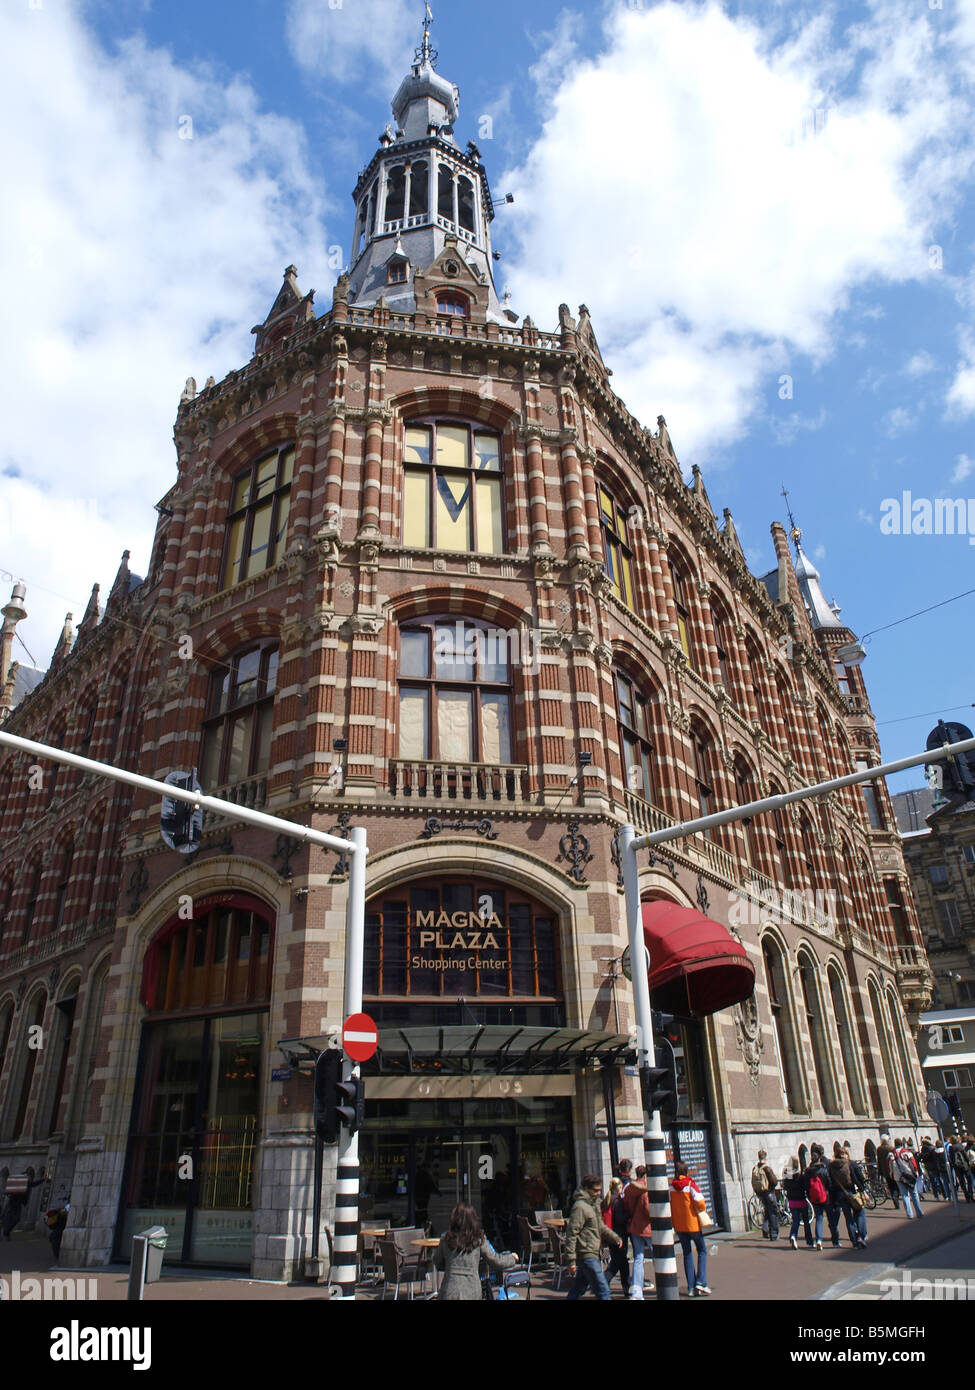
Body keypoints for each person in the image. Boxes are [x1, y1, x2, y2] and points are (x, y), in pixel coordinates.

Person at [433, 1201, 516, 1301]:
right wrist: (512, 1258)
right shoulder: (478, 1239)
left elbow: (437, 1262)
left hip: (450, 1289)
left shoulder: (446, 1238)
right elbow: (494, 1260)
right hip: (472, 1290)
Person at [564, 1174, 622, 1301]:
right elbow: (571, 1233)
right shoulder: (580, 1207)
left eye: (600, 1190)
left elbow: (600, 1226)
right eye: (595, 1190)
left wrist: (615, 1238)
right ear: (586, 1189)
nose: (598, 1193)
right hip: (587, 1253)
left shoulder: (593, 1205)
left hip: (592, 1251)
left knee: (578, 1288)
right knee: (603, 1290)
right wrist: (571, 1260)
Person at [670, 1161, 711, 1296]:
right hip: (692, 1223)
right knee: (702, 1251)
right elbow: (700, 1202)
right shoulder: (689, 1184)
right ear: (685, 1171)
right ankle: (701, 1282)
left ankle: (691, 1288)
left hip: (680, 1226)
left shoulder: (672, 1187)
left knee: (687, 1253)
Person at [623, 1164, 655, 1299]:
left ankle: (637, 1291)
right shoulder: (646, 1188)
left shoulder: (630, 1188)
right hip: (647, 1227)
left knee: (638, 1257)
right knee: (658, 1255)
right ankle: (664, 1282)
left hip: (635, 1227)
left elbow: (627, 1205)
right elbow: (648, 1209)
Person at [829, 1141, 867, 1248]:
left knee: (848, 1218)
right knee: (860, 1213)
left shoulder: (831, 1166)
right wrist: (863, 1189)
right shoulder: (851, 1164)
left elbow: (830, 1181)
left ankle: (854, 1242)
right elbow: (860, 1178)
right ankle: (861, 1236)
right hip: (852, 1192)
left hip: (839, 1194)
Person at [601, 1177, 630, 1296]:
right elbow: (619, 1219)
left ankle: (627, 1287)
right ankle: (603, 1282)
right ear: (619, 1187)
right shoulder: (617, 1201)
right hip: (619, 1236)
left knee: (623, 1262)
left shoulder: (606, 1200)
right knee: (617, 1263)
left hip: (610, 1236)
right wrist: (628, 1214)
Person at [0, 1170, 46, 1241]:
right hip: (14, 1203)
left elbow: (33, 1184)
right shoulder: (22, 1183)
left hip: (15, 1203)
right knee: (12, 1219)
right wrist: (43, 1180)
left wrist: (42, 1180)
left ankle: (6, 1233)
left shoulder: (23, 1183)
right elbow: (33, 1184)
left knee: (12, 1219)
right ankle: (5, 1233)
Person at [888, 1138, 923, 1219]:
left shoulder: (891, 1154)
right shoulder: (907, 1152)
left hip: (898, 1177)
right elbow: (913, 1164)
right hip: (909, 1175)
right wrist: (915, 1173)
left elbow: (890, 1166)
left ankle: (909, 1214)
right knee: (914, 1194)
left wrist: (892, 1175)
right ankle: (919, 1212)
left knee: (904, 1195)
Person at [805, 1144, 831, 1250]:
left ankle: (819, 1239)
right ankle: (835, 1239)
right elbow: (829, 1182)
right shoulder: (823, 1169)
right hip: (825, 1196)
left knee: (819, 1218)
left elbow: (806, 1184)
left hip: (814, 1197)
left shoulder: (808, 1171)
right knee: (831, 1217)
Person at [784, 1156, 813, 1249]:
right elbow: (805, 1187)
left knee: (795, 1220)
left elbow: (785, 1187)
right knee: (806, 1221)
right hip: (801, 1200)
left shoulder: (787, 1176)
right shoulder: (800, 1175)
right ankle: (810, 1241)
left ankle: (793, 1235)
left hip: (792, 1202)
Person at [752, 1149, 780, 1241]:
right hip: (769, 1192)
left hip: (761, 1193)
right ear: (765, 1157)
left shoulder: (755, 1168)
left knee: (767, 1211)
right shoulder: (766, 1168)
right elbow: (774, 1181)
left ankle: (765, 1229)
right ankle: (774, 1234)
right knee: (773, 1212)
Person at [876, 1135, 900, 1209]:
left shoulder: (879, 1149)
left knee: (891, 1186)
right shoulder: (891, 1148)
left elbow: (879, 1161)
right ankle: (896, 1197)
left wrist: (880, 1171)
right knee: (896, 1185)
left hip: (885, 1171)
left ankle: (895, 1200)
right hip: (893, 1170)